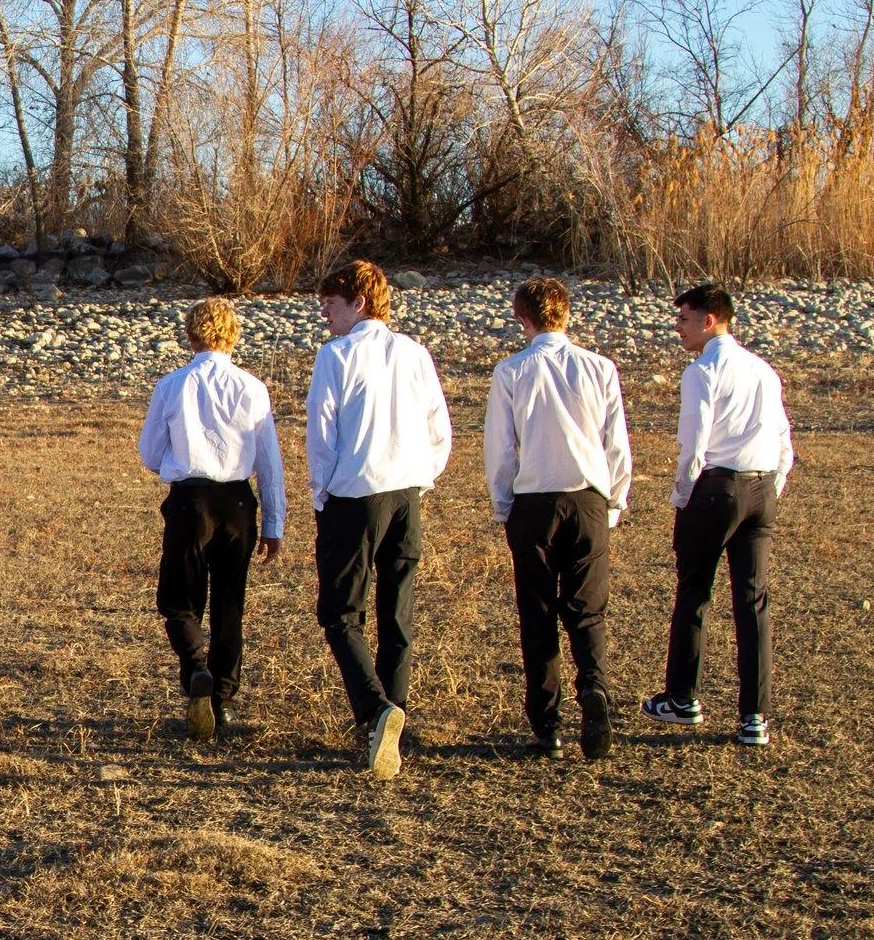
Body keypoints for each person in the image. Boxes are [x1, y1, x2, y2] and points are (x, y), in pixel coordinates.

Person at [306, 260, 452, 780]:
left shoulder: (337, 355)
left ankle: (375, 710)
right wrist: (424, 475)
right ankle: (392, 719)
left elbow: (322, 431)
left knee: (340, 612)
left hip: (355, 493)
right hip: (407, 491)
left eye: (332, 303)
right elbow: (440, 424)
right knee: (397, 612)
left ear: (359, 304)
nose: (324, 313)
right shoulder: (415, 353)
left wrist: (321, 492)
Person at [485, 277, 634, 760]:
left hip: (535, 502)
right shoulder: (600, 368)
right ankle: (594, 687)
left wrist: (502, 502)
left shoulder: (512, 371)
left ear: (523, 319)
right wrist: (614, 501)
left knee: (538, 612)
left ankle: (546, 724)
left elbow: (501, 449)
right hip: (589, 497)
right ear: (566, 315)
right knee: (588, 608)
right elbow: (616, 444)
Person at [643, 283, 794, 747]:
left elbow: (694, 444)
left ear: (709, 320)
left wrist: (683, 495)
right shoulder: (763, 370)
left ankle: (682, 697)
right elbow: (784, 441)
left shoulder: (702, 371)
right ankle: (755, 716)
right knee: (753, 601)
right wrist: (771, 486)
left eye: (684, 318)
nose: (678, 327)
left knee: (694, 592)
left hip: (715, 486)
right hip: (761, 485)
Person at [137, 296, 284, 741]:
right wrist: (274, 522)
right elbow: (270, 463)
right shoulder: (252, 387)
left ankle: (196, 665)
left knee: (179, 600)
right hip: (239, 503)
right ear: (233, 335)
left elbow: (149, 452)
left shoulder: (173, 385)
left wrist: (176, 464)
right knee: (228, 604)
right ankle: (223, 699)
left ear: (191, 334)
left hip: (190, 499)